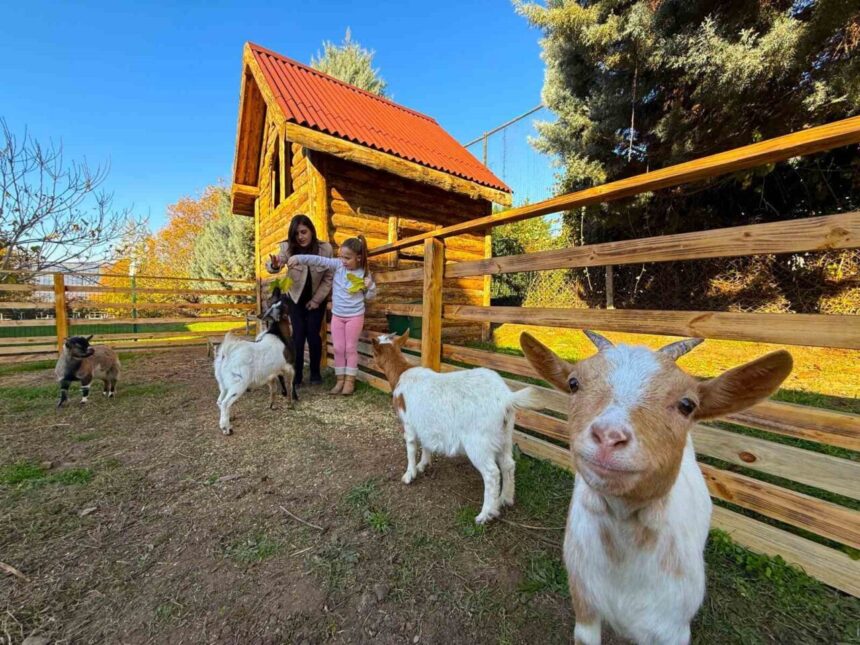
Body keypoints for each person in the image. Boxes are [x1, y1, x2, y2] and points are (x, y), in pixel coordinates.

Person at [288, 235, 376, 396]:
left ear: (358, 258)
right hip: (338, 316)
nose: (343, 260)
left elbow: (370, 297)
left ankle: (350, 381)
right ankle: (340, 380)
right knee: (338, 348)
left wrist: (370, 287)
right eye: (341, 256)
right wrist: (298, 258)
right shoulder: (337, 266)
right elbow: (318, 260)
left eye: (347, 258)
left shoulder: (364, 274)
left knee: (350, 348)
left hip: (355, 316)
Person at [266, 214, 333, 388]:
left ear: (311, 230)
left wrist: (317, 300)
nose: (300, 237)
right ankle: (297, 376)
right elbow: (276, 264)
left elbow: (328, 277)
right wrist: (274, 265)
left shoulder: (325, 249)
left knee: (313, 335)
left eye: (304, 232)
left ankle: (316, 373)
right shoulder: (288, 248)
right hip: (294, 299)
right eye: (296, 234)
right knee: (298, 336)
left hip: (316, 300)